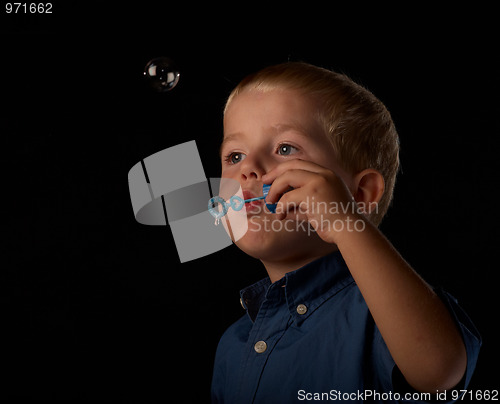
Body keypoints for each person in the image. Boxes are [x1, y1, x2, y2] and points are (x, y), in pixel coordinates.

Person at [211, 62, 481, 403]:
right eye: (234, 155)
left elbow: (439, 372)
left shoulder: (381, 311)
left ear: (359, 195)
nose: (248, 168)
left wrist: (343, 222)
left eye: (285, 148)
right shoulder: (233, 344)